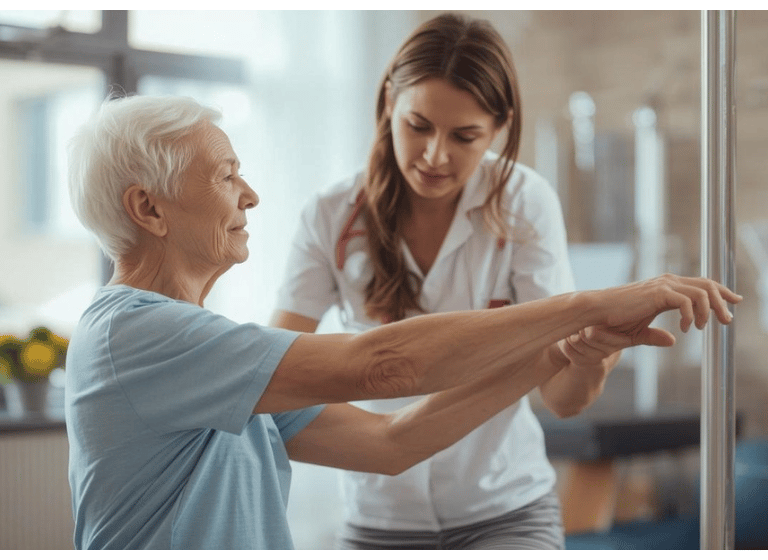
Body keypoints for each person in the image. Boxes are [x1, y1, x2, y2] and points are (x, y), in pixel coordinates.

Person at [64, 93, 739, 551]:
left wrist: (558, 351)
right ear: (147, 209)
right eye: (225, 176)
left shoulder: (216, 357)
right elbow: (385, 367)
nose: (251, 194)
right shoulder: (134, 334)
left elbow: (391, 443)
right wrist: (591, 303)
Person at [270, 13, 709, 549]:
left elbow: (565, 399)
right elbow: (283, 373)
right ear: (388, 101)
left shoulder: (525, 203)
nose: (435, 155)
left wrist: (591, 352)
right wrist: (369, 441)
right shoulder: (330, 214)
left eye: (464, 136)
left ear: (500, 128)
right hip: (378, 518)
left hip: (506, 512)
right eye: (418, 125)